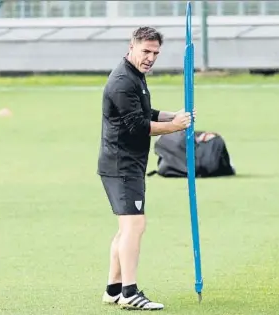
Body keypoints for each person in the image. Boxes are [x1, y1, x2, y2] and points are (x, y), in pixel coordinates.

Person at [97, 26, 195, 311]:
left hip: (128, 164)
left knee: (126, 229)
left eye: (155, 53)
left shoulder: (135, 76)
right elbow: (138, 126)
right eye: (146, 52)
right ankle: (129, 292)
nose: (151, 58)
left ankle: (113, 289)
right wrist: (174, 127)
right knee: (134, 226)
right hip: (121, 165)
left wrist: (173, 115)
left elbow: (144, 112)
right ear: (132, 46)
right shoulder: (122, 82)